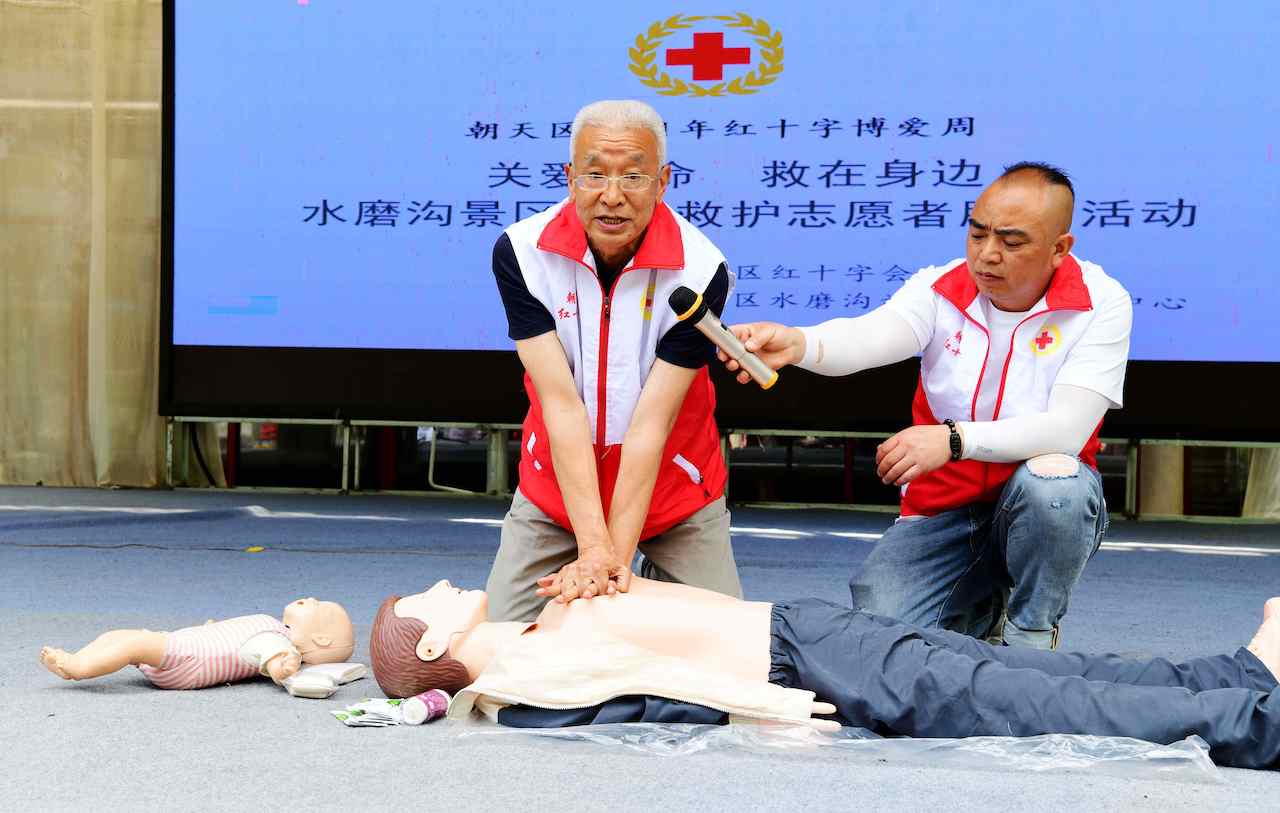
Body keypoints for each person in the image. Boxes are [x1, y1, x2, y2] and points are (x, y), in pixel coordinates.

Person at [719, 163, 1132, 649]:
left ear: (1060, 248)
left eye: (1011, 242)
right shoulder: (939, 288)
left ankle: (1032, 632)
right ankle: (980, 613)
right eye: (977, 234)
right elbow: (869, 336)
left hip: (1036, 498)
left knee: (1057, 486)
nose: (987, 255)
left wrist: (955, 439)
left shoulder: (1101, 302)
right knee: (880, 639)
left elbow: (1067, 430)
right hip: (943, 503)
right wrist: (798, 343)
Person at [370, 578, 1280, 770]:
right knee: (1024, 698)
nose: (448, 581)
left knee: (1008, 668)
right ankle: (1252, 720)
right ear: (427, 641)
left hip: (806, 629)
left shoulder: (538, 628)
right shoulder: (523, 682)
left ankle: (1235, 670)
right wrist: (756, 711)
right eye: (430, 594)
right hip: (797, 661)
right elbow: (648, 700)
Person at [485, 99, 742, 622]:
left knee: (725, 653)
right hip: (557, 493)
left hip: (676, 489)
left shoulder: (702, 268)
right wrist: (592, 546)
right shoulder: (522, 253)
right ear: (569, 176)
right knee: (500, 647)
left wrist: (609, 563)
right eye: (594, 175)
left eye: (633, 177)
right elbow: (561, 405)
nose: (612, 196)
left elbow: (652, 424)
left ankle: (648, 576)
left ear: (663, 181)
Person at [39, 598, 354, 690]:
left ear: (321, 639)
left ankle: (79, 667)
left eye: (320, 606)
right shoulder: (274, 629)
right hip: (185, 644)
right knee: (117, 636)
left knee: (131, 644)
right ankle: (79, 656)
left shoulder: (281, 641)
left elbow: (268, 658)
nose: (311, 598)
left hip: (190, 658)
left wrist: (280, 667)